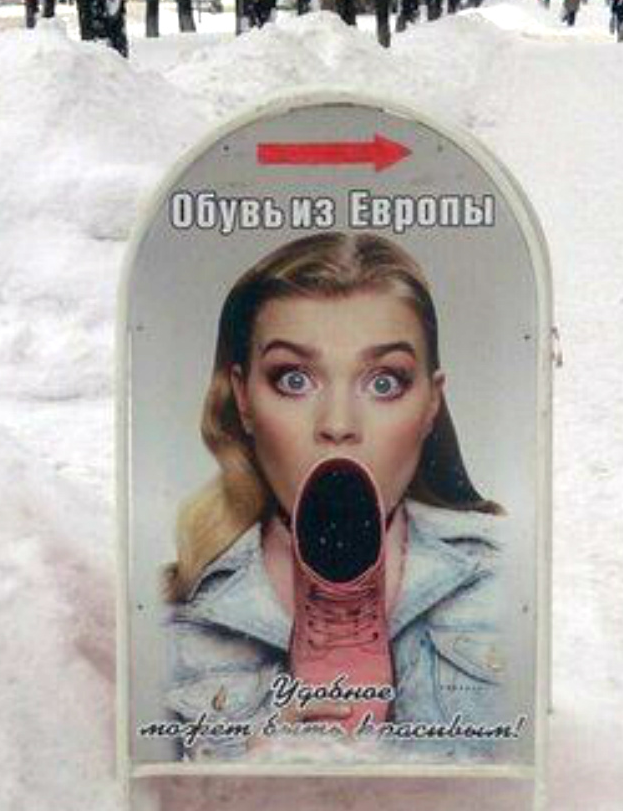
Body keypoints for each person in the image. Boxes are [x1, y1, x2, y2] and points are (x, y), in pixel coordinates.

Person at [164, 233, 514, 761]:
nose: (338, 425)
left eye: (384, 383)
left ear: (430, 405)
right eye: (294, 379)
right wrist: (249, 759)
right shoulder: (179, 614)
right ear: (243, 399)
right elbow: (147, 802)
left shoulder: (507, 576)